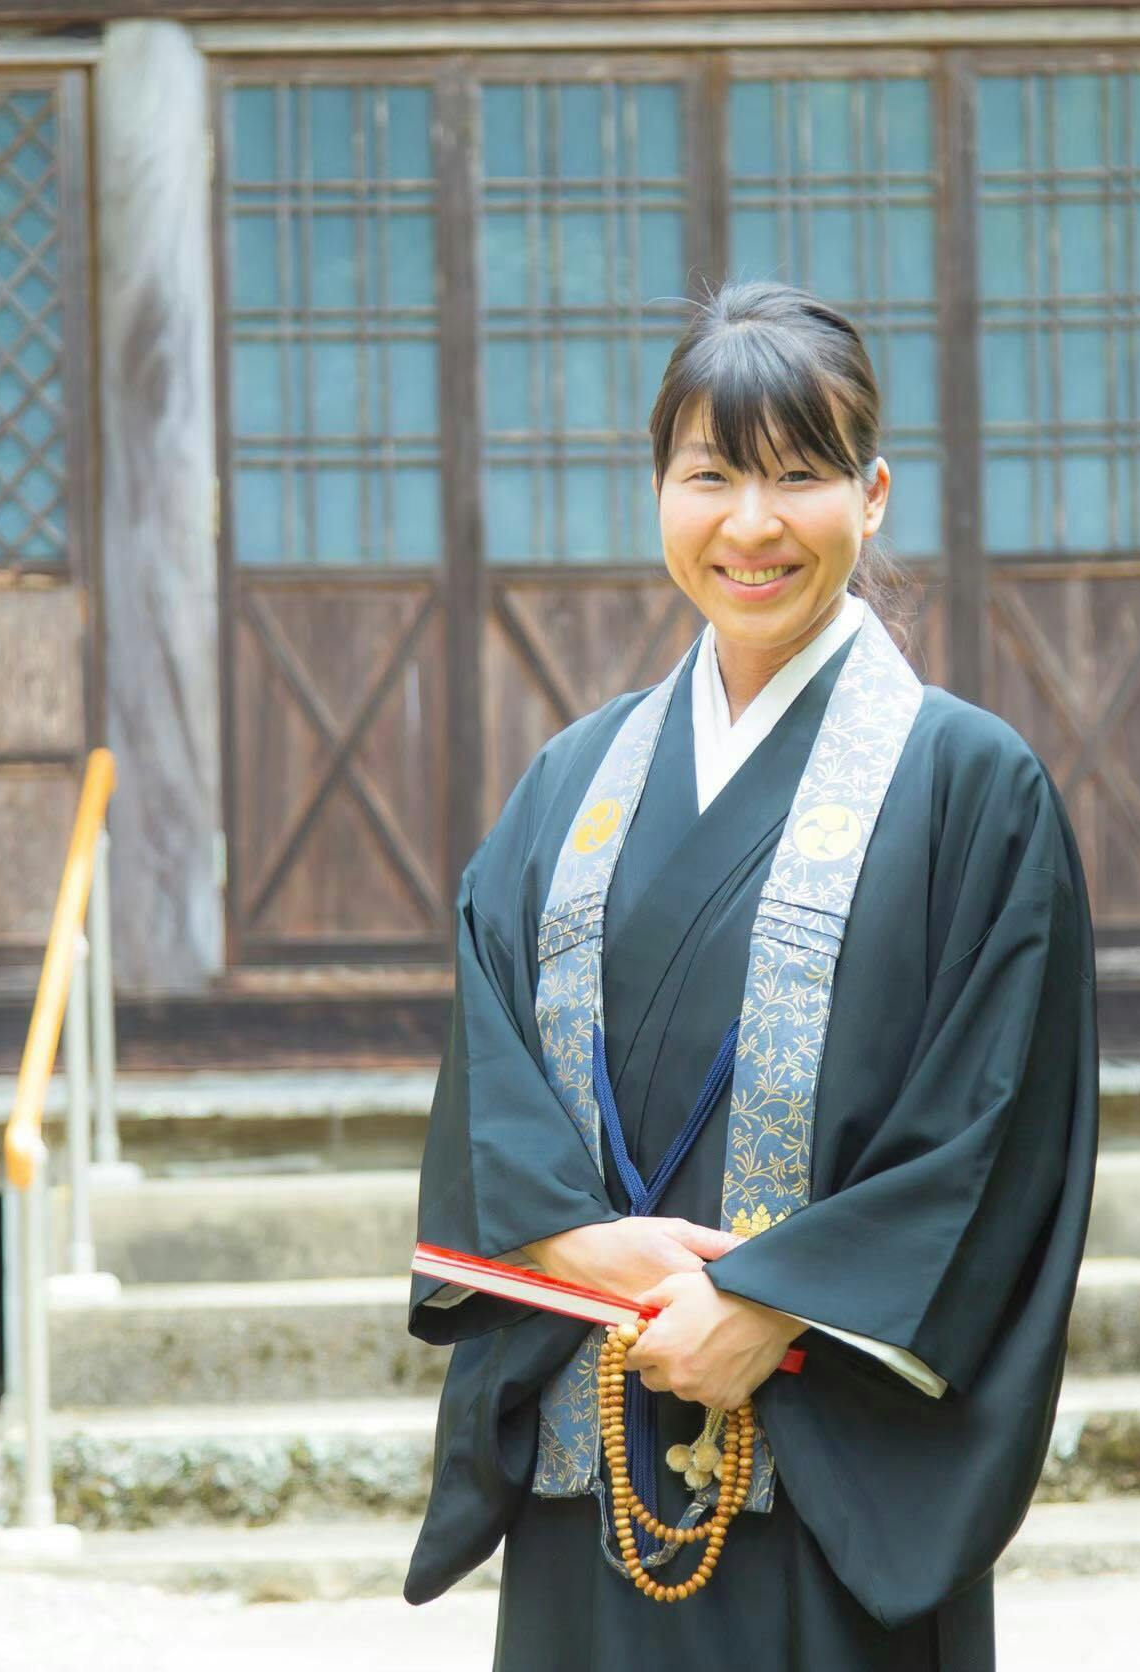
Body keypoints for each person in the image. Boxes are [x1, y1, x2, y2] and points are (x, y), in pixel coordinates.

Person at [405, 279, 1099, 1670]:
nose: (753, 524)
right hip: (591, 1445)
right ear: (658, 495)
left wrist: (771, 1306)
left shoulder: (972, 787)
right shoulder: (572, 785)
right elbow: (490, 1069)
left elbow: (1000, 1134)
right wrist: (573, 1247)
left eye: (799, 475)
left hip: (829, 1466)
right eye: (711, 475)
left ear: (874, 494)